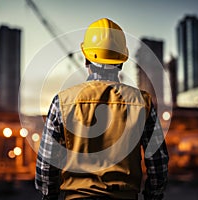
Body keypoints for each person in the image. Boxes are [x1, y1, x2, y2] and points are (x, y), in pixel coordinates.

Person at [35, 18, 169, 200]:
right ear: (121, 61)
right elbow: (158, 163)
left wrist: (49, 196)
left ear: (85, 59)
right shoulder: (142, 102)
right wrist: (153, 196)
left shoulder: (62, 102)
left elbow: (46, 165)